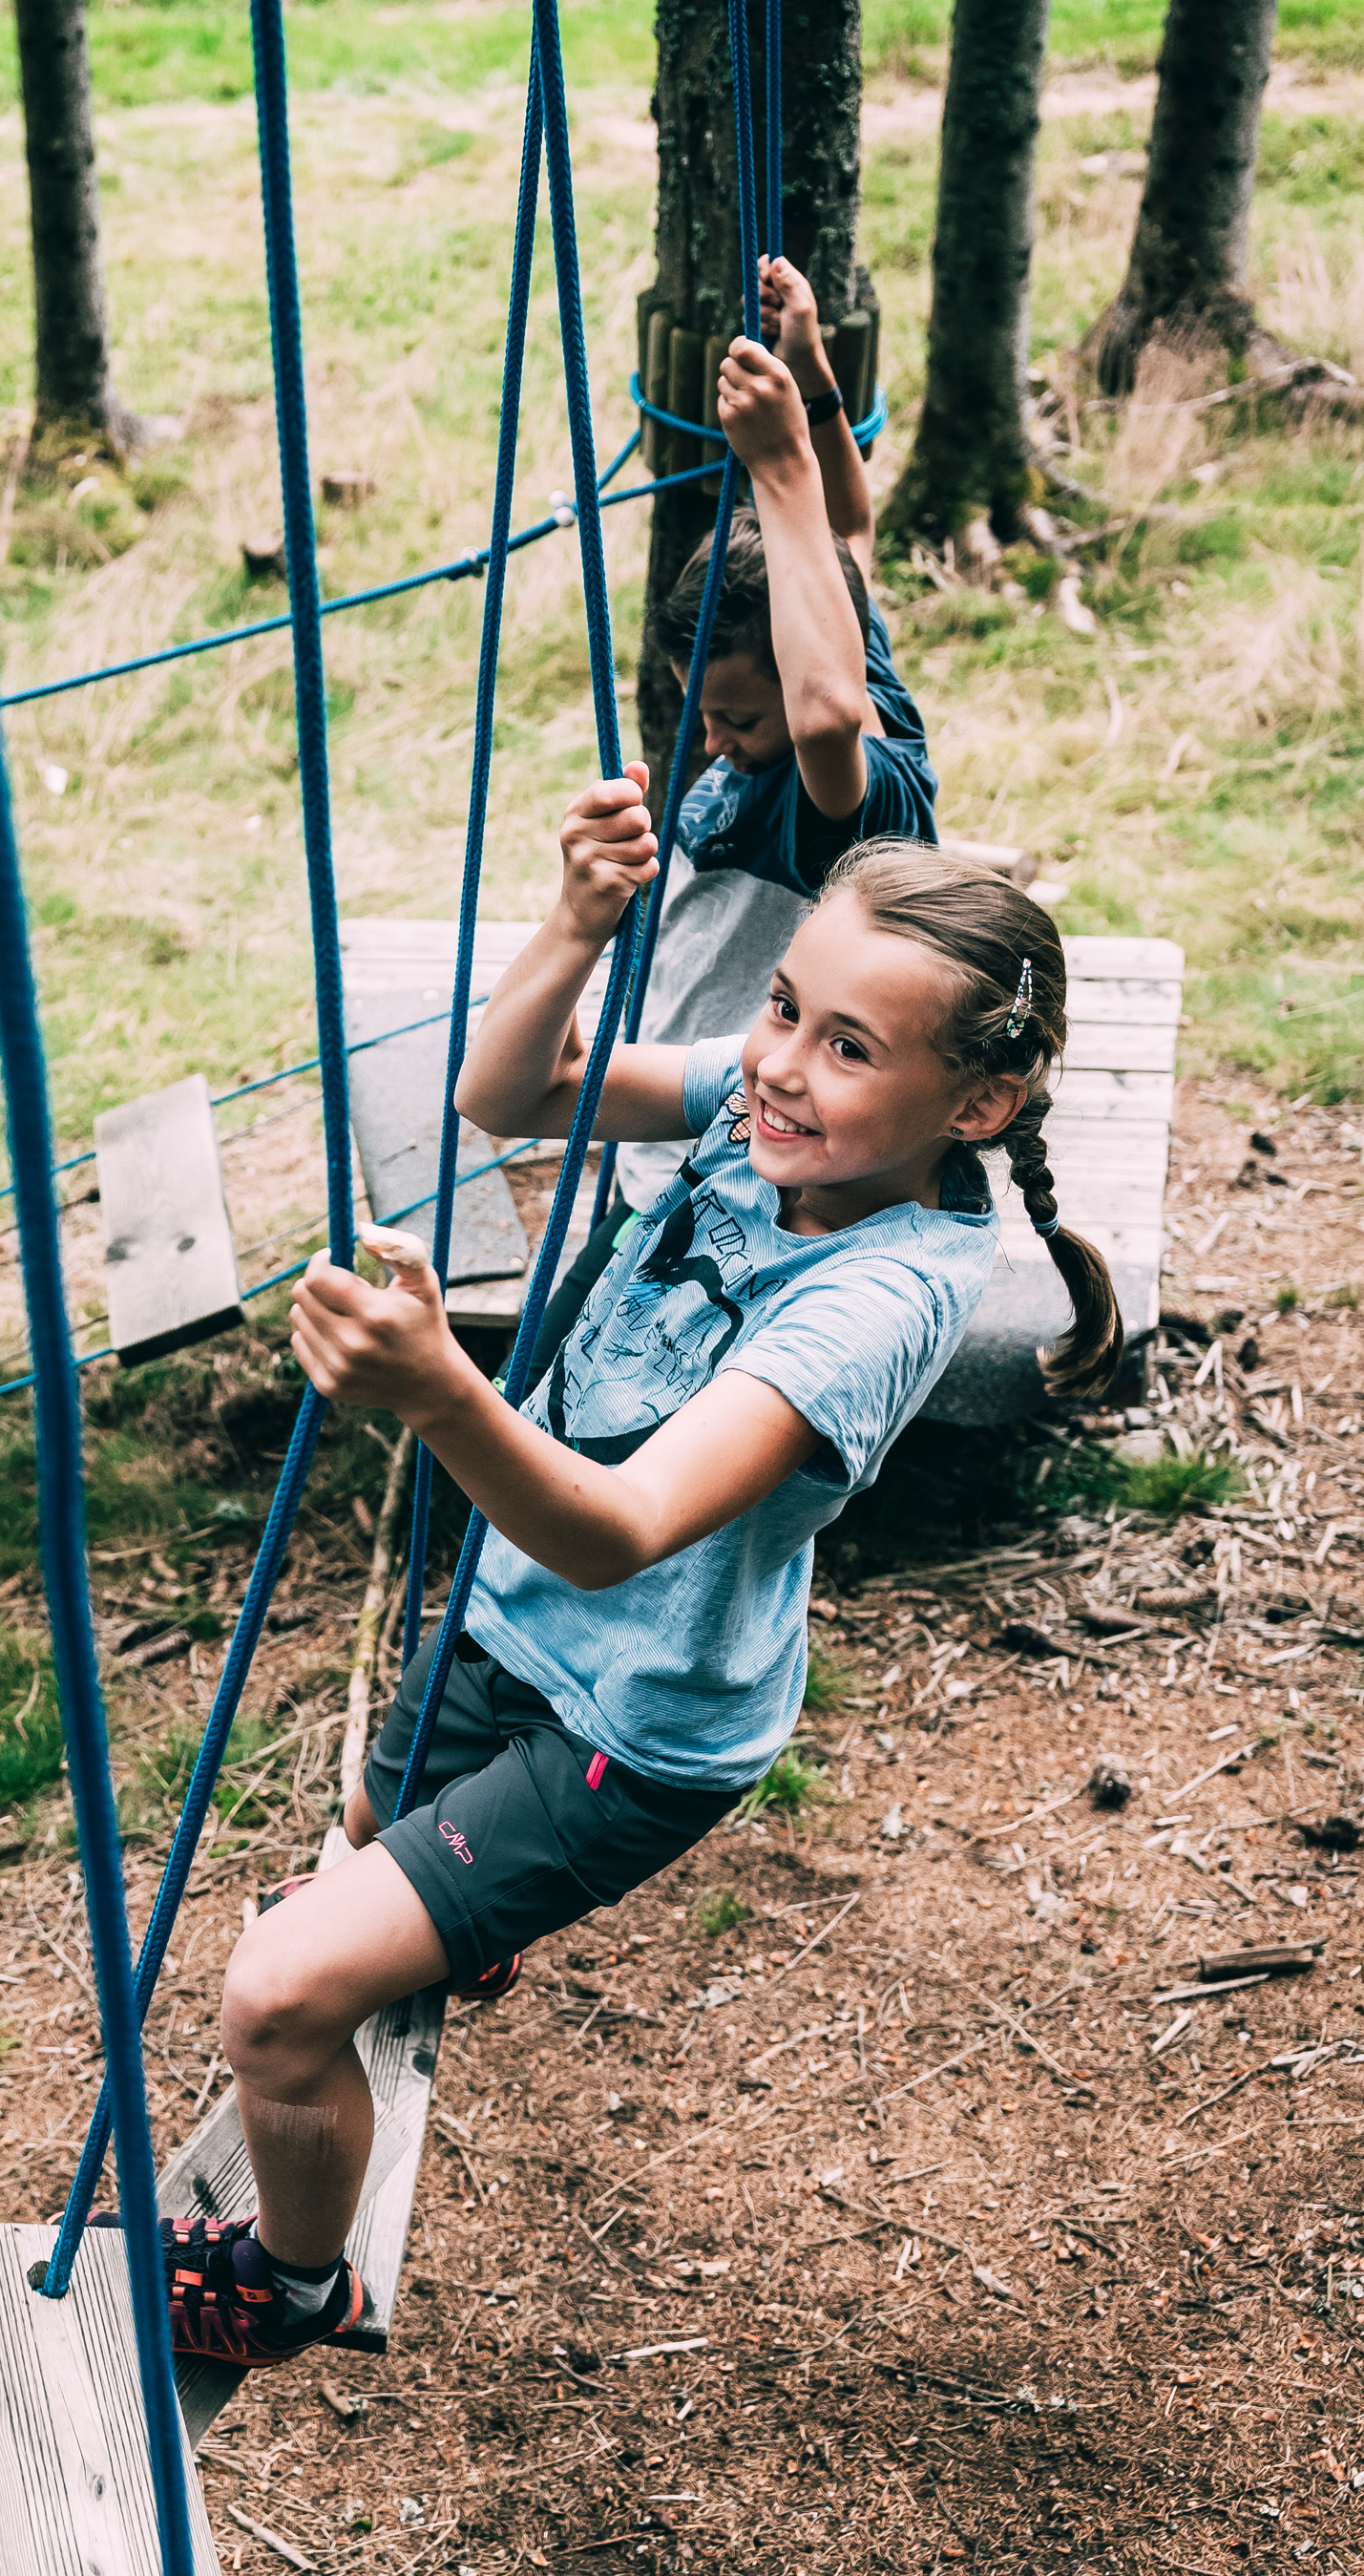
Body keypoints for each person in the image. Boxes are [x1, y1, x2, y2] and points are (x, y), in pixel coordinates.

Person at [149, 696, 1124, 2371]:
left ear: (976, 1105)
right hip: (517, 1613)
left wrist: (441, 1388)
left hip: (635, 1724)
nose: (780, 1063)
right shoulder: (768, 1122)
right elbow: (507, 1089)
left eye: (848, 1047)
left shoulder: (877, 1302)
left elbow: (621, 1532)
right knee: (371, 1821)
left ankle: (298, 2285)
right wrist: (574, 925)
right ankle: (453, 1921)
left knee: (278, 1994)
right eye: (782, 1005)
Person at [528, 253, 937, 1379]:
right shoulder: (853, 651)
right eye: (702, 714)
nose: (714, 742)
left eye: (737, 719)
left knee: (575, 1403)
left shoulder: (842, 798)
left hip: (727, 1167)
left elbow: (818, 715)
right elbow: (843, 536)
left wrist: (778, 456)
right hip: (672, 1125)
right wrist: (810, 377)